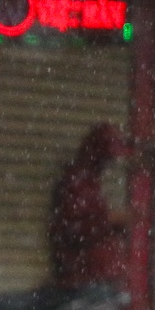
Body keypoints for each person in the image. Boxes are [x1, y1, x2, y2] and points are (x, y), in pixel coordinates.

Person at [49, 123, 132, 290]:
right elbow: (72, 229)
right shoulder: (76, 183)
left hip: (95, 279)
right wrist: (109, 220)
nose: (109, 165)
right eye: (107, 159)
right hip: (83, 280)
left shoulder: (90, 183)